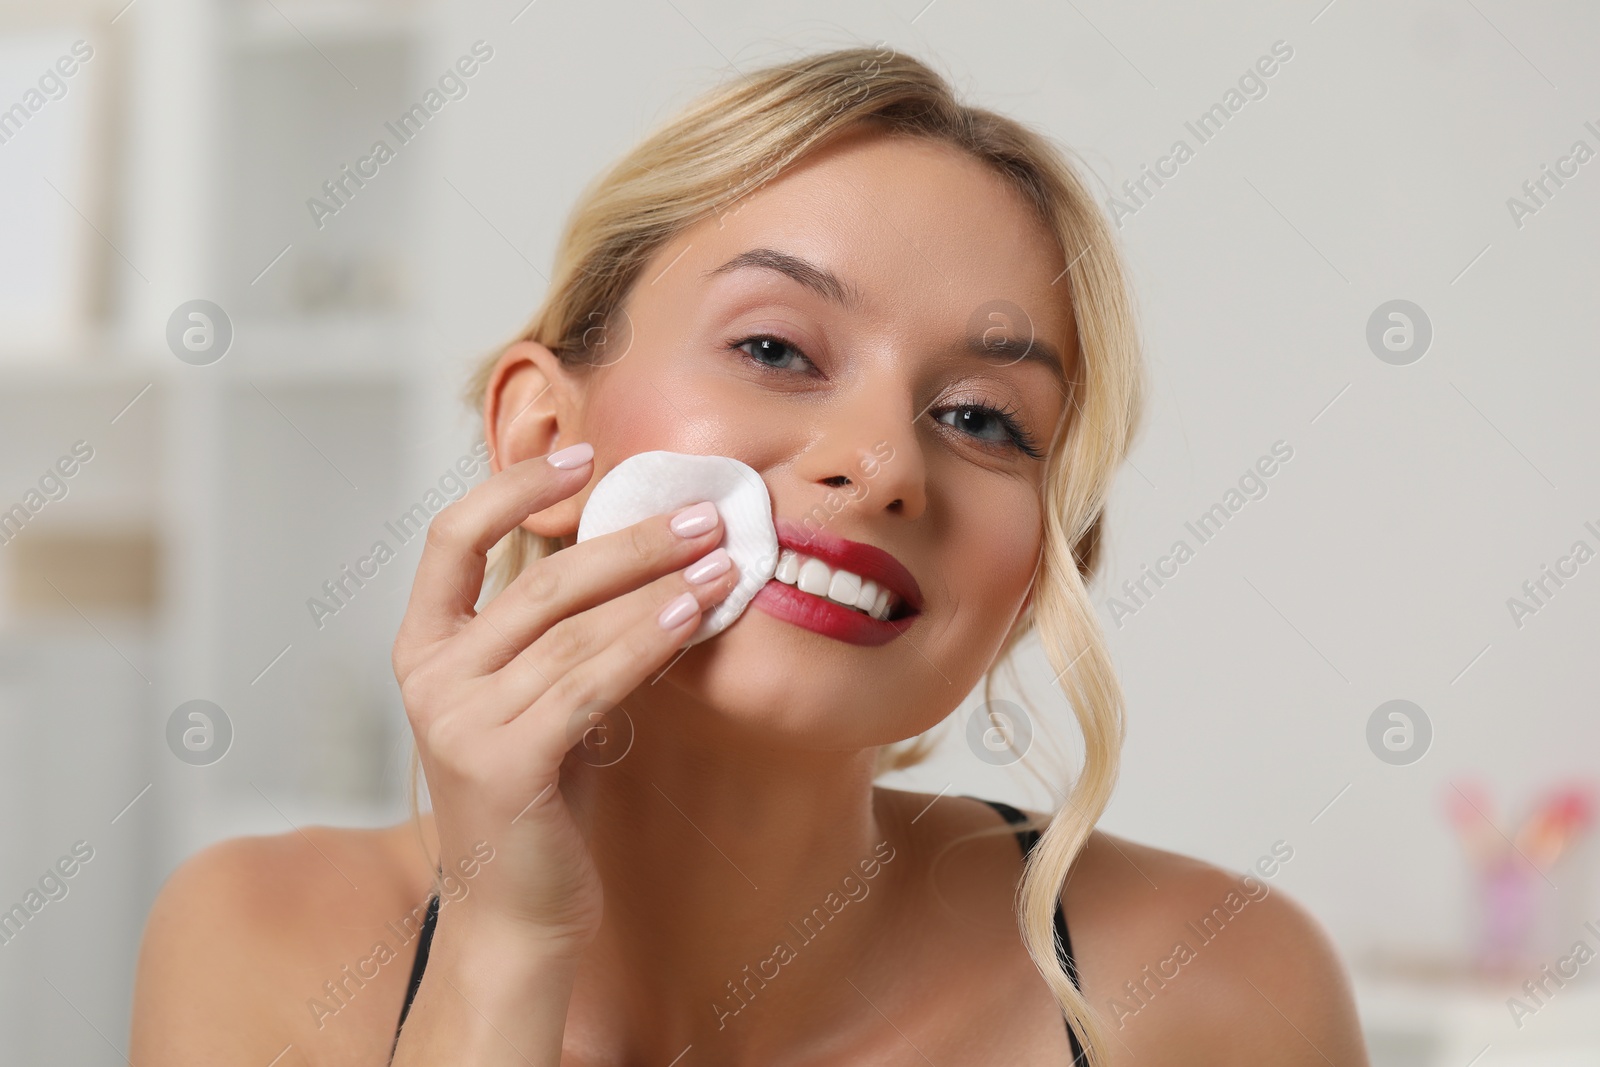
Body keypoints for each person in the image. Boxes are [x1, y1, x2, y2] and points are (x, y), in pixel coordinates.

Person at [130, 46, 1369, 1066]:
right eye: (776, 348)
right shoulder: (265, 945)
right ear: (542, 431)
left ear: (1047, 563)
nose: (882, 463)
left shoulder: (1220, 987)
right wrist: (504, 946)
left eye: (983, 419)